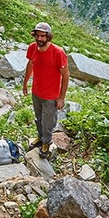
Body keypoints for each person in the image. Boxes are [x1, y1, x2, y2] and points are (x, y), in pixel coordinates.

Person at [22, 22, 69, 159]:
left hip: (51, 95)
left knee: (48, 122)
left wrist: (61, 97)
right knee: (38, 118)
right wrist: (25, 83)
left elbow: (66, 76)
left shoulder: (58, 52)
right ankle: (40, 137)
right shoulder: (32, 48)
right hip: (36, 91)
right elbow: (30, 64)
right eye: (37, 36)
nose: (40, 39)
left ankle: (46, 142)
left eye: (43, 36)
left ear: (48, 37)